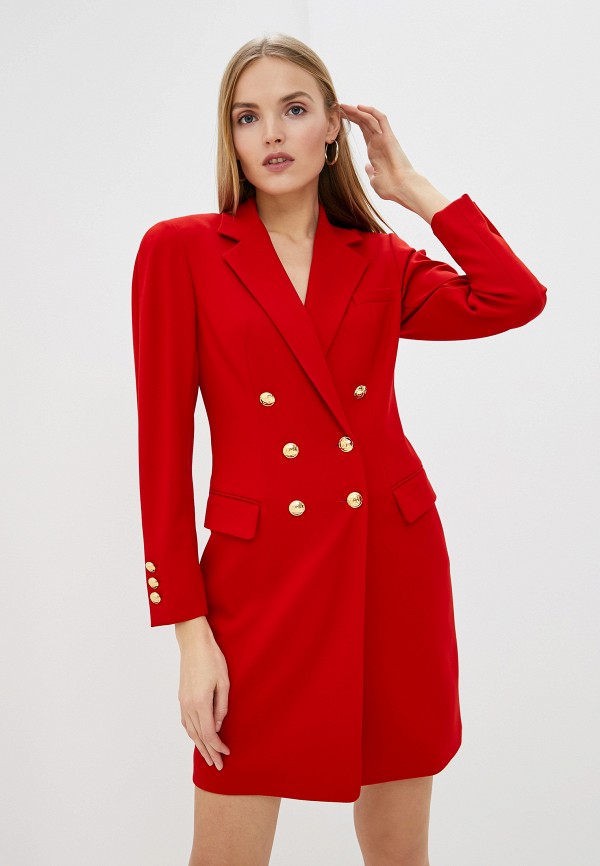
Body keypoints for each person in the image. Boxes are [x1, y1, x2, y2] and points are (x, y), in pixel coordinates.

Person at [131, 32, 547, 866]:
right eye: (247, 117)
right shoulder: (182, 251)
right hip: (257, 584)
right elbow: (161, 456)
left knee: (399, 852)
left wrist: (412, 188)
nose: (271, 133)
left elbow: (513, 297)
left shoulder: (381, 260)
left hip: (389, 567)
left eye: (293, 110)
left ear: (333, 130)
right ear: (230, 136)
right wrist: (189, 634)